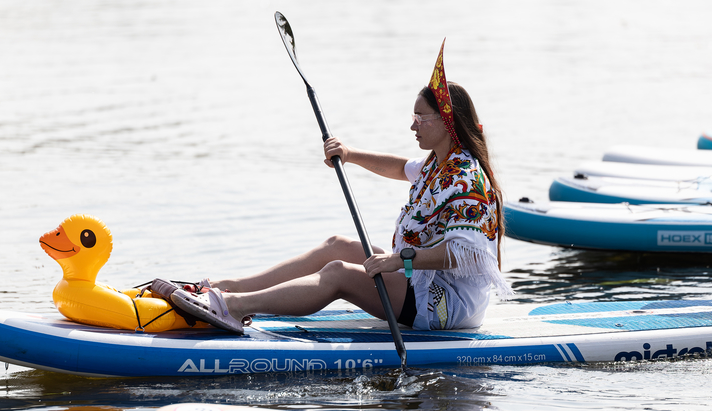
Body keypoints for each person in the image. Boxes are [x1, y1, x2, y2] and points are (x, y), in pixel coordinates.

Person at [170, 41, 512, 332]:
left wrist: (400, 261)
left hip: (446, 304)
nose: (413, 126)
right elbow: (398, 167)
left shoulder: (467, 179)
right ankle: (228, 287)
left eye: (421, 119)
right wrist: (348, 154)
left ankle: (232, 307)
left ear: (446, 122)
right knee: (338, 246)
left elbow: (465, 255)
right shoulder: (439, 164)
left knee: (339, 275)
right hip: (417, 279)